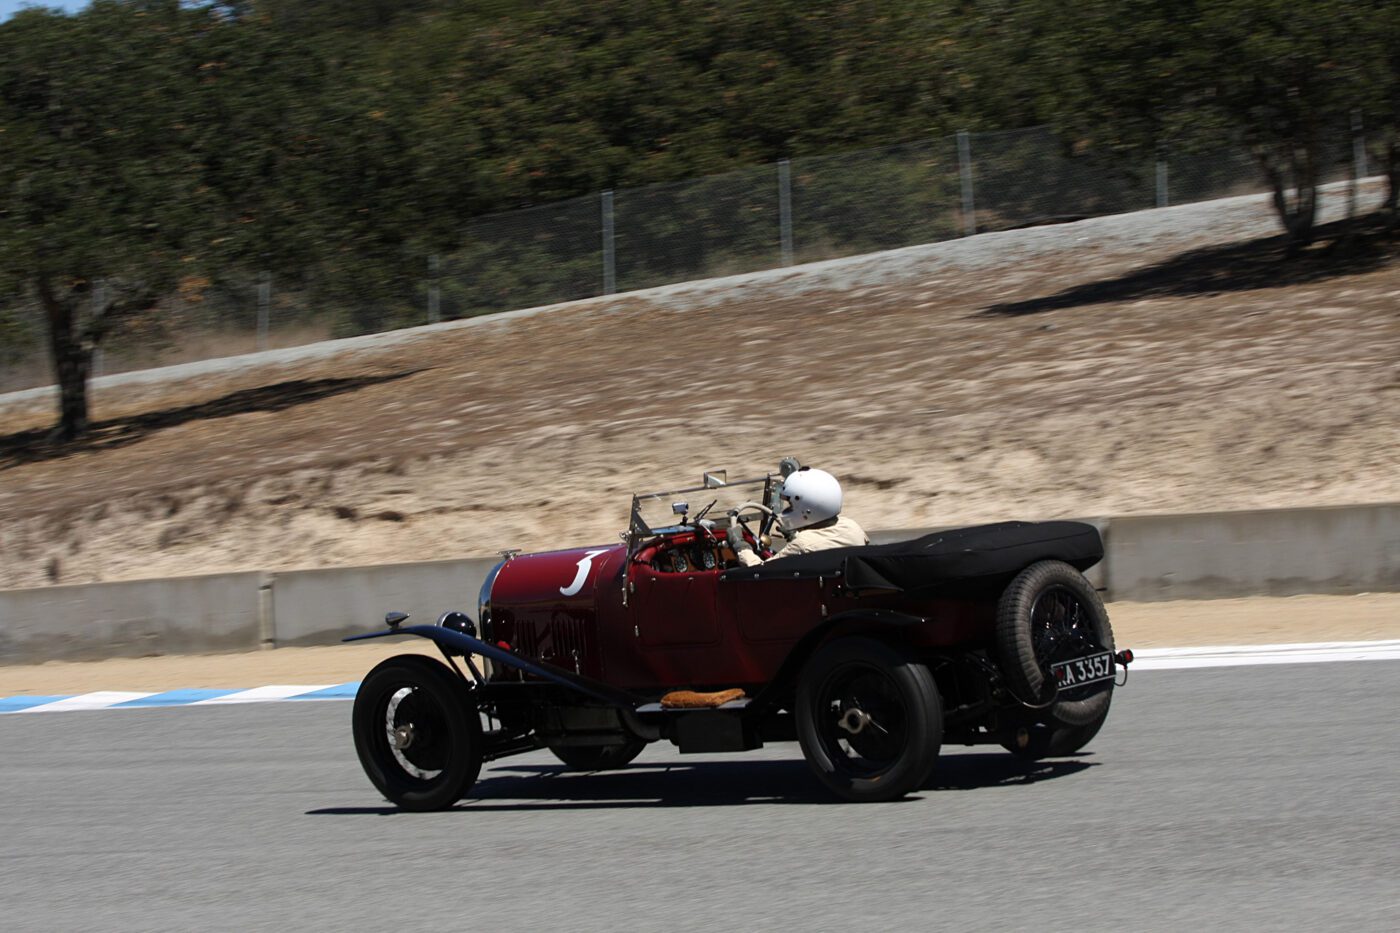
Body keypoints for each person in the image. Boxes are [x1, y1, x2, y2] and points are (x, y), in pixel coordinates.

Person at [729, 467, 869, 566]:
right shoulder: (853, 527)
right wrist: (793, 537)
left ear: (808, 508)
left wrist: (741, 546)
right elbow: (826, 543)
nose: (788, 509)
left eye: (790, 504)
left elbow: (759, 571)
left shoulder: (802, 544)